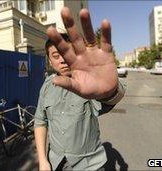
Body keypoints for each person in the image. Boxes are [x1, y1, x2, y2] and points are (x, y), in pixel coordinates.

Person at [34, 7, 126, 170]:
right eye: (55, 56)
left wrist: (109, 91)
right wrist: (42, 160)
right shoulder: (47, 85)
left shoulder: (87, 82)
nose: (62, 60)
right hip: (56, 163)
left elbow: (109, 99)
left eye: (66, 54)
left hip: (89, 165)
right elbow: (40, 121)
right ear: (49, 61)